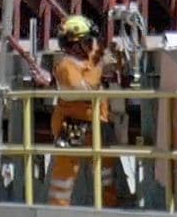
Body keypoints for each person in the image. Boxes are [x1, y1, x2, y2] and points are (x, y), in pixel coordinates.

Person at [46, 14, 125, 207]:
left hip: (98, 121)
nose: (92, 45)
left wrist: (116, 54)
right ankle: (58, 211)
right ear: (76, 44)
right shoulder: (66, 66)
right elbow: (83, 89)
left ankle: (109, 208)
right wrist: (100, 67)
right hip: (73, 123)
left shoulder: (89, 60)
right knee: (66, 170)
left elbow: (106, 62)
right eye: (88, 41)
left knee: (106, 170)